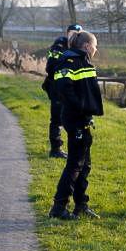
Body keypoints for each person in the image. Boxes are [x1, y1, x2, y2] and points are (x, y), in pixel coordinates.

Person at [49, 31, 104, 220]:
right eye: (95, 46)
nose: (96, 49)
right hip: (76, 120)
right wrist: (80, 108)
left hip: (82, 119)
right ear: (87, 46)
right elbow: (62, 87)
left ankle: (81, 205)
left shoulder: (82, 60)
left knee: (84, 165)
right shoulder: (70, 61)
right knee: (74, 164)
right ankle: (59, 207)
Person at [41, 23, 82, 159]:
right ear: (67, 33)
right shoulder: (60, 44)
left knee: (73, 118)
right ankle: (55, 149)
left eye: (78, 34)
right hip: (57, 87)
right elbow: (50, 67)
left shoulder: (78, 46)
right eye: (73, 33)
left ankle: (74, 147)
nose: (75, 36)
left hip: (71, 88)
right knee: (57, 119)